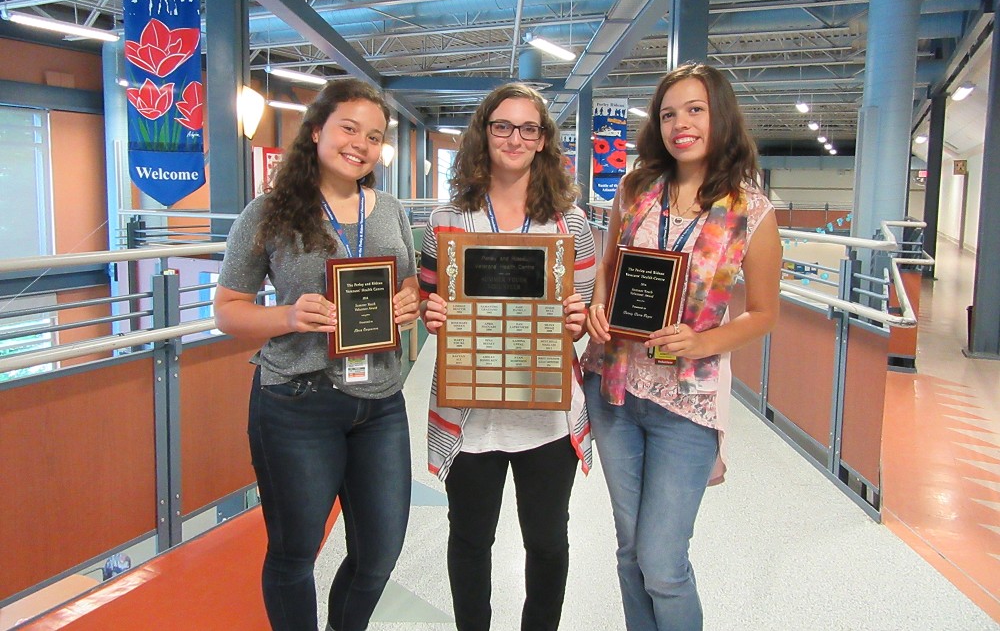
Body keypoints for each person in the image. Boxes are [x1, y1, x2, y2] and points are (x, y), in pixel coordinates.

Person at [214, 78, 420, 631]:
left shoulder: (390, 209)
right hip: (298, 399)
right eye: (348, 128)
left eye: (373, 137)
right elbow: (228, 310)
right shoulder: (269, 212)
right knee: (295, 550)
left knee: (380, 552)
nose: (360, 144)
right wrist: (286, 316)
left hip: (380, 400)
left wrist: (410, 301)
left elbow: (411, 283)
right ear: (316, 131)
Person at [583, 63, 781, 631]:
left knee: (663, 563)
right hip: (614, 387)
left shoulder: (752, 211)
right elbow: (610, 266)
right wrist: (599, 306)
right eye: (669, 114)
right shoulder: (637, 189)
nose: (680, 124)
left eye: (695, 110)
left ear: (721, 116)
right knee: (628, 552)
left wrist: (702, 340)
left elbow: (765, 314)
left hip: (686, 404)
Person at [418, 83, 596, 631]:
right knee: (470, 539)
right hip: (470, 417)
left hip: (546, 414)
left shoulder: (572, 225)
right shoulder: (446, 220)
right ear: (484, 133)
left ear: (543, 141)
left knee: (547, 541)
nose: (515, 138)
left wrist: (575, 323)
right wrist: (433, 315)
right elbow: (430, 297)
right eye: (502, 126)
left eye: (528, 128)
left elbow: (583, 317)